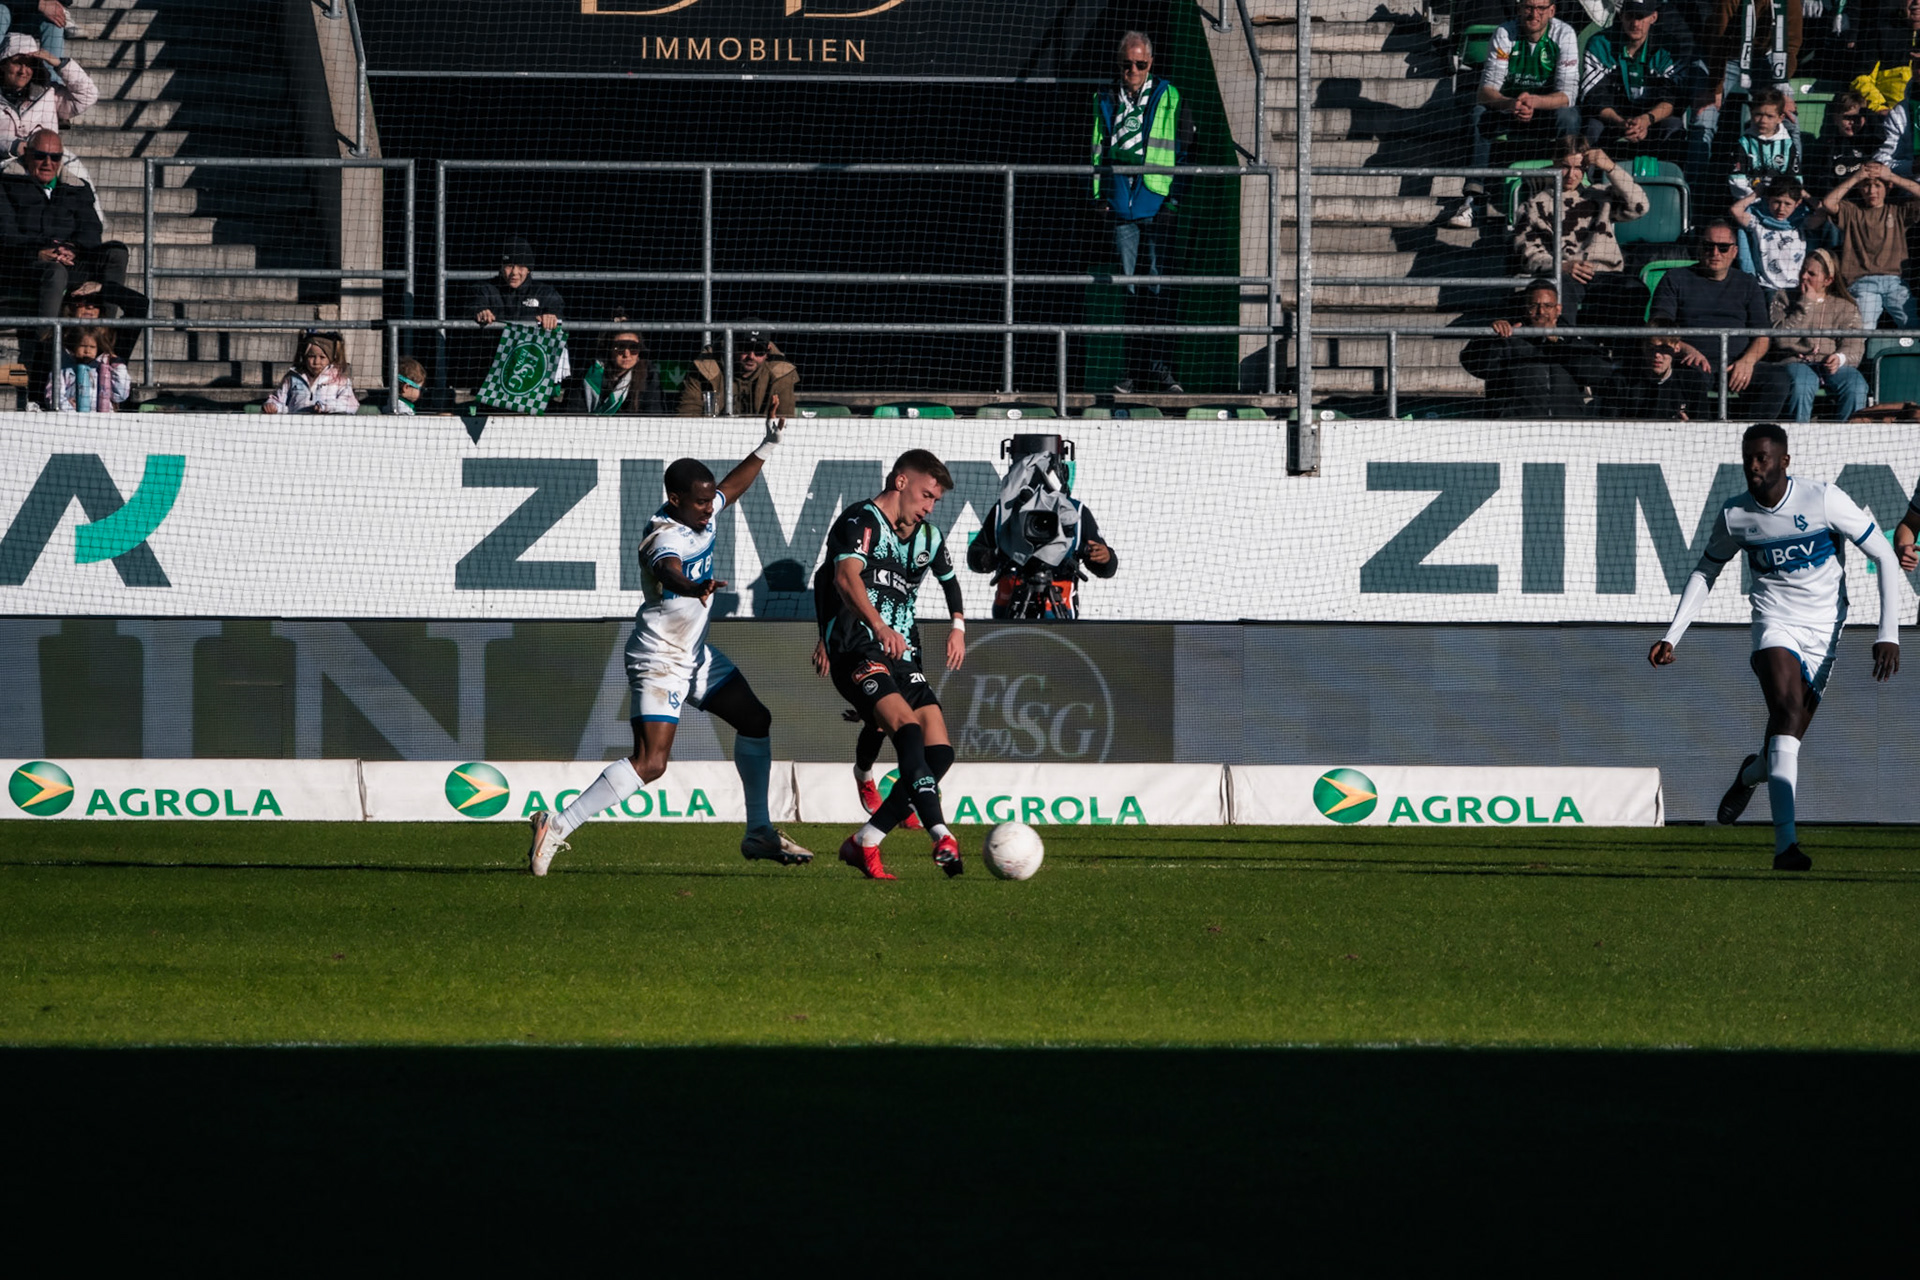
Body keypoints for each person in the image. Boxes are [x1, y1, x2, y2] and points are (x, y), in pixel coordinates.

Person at [527, 412, 812, 877]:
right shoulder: (661, 534)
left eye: (708, 501)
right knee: (652, 762)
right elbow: (667, 569)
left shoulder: (701, 512)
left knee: (755, 719)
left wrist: (768, 443)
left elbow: (732, 488)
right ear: (674, 499)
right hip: (659, 658)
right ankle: (557, 823)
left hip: (695, 655)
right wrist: (689, 587)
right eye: (699, 502)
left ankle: (759, 831)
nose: (708, 507)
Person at [1649, 422, 1900, 871]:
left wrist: (1888, 633)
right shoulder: (1735, 515)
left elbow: (1883, 554)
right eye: (1748, 457)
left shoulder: (1823, 499)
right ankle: (1786, 846)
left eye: (1763, 457)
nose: (1754, 466)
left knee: (1787, 742)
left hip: (1826, 631)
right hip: (1774, 622)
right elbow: (1707, 571)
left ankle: (1750, 773)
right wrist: (1673, 634)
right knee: (1784, 714)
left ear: (1785, 460)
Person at [826, 450, 969, 880]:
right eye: (926, 495)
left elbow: (951, 582)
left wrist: (958, 626)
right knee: (906, 728)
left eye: (935, 501)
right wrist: (875, 625)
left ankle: (866, 840)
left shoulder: (928, 537)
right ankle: (940, 833)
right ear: (901, 481)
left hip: (904, 655)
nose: (929, 506)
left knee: (939, 753)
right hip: (859, 647)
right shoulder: (860, 521)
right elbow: (844, 578)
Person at [1092, 30, 1193, 393]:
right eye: (1127, 64)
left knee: (1157, 289)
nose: (1132, 70)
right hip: (1121, 206)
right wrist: (1099, 197)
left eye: (1140, 64)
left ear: (1151, 64)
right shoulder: (1105, 97)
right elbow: (1096, 148)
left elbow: (1184, 151)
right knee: (1130, 291)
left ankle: (1161, 370)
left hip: (1156, 201)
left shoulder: (1168, 96)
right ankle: (1133, 372)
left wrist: (1173, 200)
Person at [0, 129, 125, 386]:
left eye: (55, 157)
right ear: (27, 155)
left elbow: (91, 230)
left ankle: (104, 339)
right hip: (22, 262)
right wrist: (38, 251)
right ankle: (47, 353)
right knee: (55, 272)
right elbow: (5, 231)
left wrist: (73, 249)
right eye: (41, 156)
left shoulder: (77, 187)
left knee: (117, 252)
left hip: (70, 257)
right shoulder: (6, 183)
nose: (48, 163)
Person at [1446, 0, 1582, 229]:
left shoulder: (1564, 33)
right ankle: (1473, 199)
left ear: (1552, 10)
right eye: (1529, 7)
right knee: (1479, 115)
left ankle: (1569, 195)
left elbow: (1567, 94)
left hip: (1546, 113)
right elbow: (1486, 91)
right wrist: (1511, 104)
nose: (1534, 14)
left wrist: (1535, 102)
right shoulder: (1504, 33)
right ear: (1519, 9)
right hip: (1510, 110)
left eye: (1541, 8)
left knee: (1570, 116)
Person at [1649, 219, 1793, 416]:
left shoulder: (1748, 284)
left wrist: (1748, 361)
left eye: (1723, 247)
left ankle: (1751, 436)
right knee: (1688, 378)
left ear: (1734, 251)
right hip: (1692, 364)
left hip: (1736, 363)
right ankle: (1701, 434)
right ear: (1700, 248)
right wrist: (1684, 348)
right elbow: (1659, 327)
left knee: (1778, 380)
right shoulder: (1675, 279)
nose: (1715, 253)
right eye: (1709, 246)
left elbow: (1762, 336)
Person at [965, 441, 1119, 620]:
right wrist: (995, 557)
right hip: (1013, 605)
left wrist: (1105, 557)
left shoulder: (1075, 513)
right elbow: (975, 557)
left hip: (1055, 606)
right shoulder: (1004, 510)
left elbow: (1107, 569)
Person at [1513, 137, 1649, 320]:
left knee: (1635, 289)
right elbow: (1529, 256)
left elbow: (1640, 207)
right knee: (1559, 292)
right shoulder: (1533, 206)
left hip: (1604, 274)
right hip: (1564, 276)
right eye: (1565, 166)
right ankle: (1567, 345)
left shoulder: (1600, 195)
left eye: (1578, 168)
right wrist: (1562, 266)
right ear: (1554, 162)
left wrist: (1610, 167)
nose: (1571, 175)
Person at [1687, 0, 1803, 183]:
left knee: (1789, 118)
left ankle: (1791, 188)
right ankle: (1694, 193)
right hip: (1721, 56)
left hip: (1763, 57)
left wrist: (1781, 86)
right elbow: (1718, 39)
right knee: (1703, 120)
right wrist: (1714, 87)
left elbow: (1792, 43)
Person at [1460, 282, 1615, 417]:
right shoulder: (1510, 339)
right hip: (1514, 428)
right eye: (1534, 306)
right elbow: (1475, 365)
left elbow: (1600, 374)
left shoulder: (1574, 339)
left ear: (1558, 309)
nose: (1541, 312)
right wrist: (1494, 339)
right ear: (1525, 308)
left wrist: (1557, 342)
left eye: (1548, 306)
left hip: (1567, 428)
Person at [1806, 161, 1920, 328]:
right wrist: (1856, 177)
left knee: (1913, 325)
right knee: (1862, 330)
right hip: (1862, 282)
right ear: (1859, 188)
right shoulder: (1852, 211)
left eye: (1877, 185)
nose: (1871, 191)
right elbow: (1829, 203)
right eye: (1866, 186)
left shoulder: (1897, 210)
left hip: (1895, 282)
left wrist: (1892, 176)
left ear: (1887, 187)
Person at [1768, 247, 1868, 420]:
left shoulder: (1846, 307)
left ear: (1828, 280)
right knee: (1803, 383)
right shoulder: (1784, 297)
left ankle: (1848, 439)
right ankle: (1798, 436)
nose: (1804, 277)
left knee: (1856, 384)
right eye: (1803, 271)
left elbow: (1854, 346)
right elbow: (1782, 340)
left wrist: (1839, 358)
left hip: (1830, 364)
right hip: (1796, 361)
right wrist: (1805, 305)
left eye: (1811, 274)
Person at [1579, 1, 1686, 160]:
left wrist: (1646, 120)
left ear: (1653, 17)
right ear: (1621, 15)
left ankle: (1669, 182)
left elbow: (1670, 99)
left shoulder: (1668, 47)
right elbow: (1595, 98)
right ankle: (1587, 180)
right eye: (1630, 16)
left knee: (1673, 127)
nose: (1635, 23)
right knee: (1592, 128)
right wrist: (1622, 122)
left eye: (1641, 17)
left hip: (1651, 119)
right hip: (1613, 118)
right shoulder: (1599, 44)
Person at [676, 317, 797, 417]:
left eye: (759, 350)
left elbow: (784, 421)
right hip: (713, 437)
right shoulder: (706, 367)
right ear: (732, 346)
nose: (751, 356)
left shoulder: (781, 373)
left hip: (762, 438)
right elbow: (687, 416)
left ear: (768, 351)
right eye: (745, 348)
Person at [0, 29, 92, 159]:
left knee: (76, 178)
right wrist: (13, 146)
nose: (23, 71)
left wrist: (60, 64)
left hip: (45, 165)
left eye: (29, 65)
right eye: (17, 63)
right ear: (3, 65)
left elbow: (88, 96)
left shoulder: (49, 93)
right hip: (4, 166)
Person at [1731, 175, 1813, 294]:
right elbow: (1735, 210)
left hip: (1797, 287)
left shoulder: (1800, 224)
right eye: (1776, 202)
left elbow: (1822, 211)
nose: (1781, 208)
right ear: (1768, 199)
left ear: (1797, 203)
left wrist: (1804, 194)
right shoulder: (1758, 223)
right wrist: (1756, 194)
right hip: (1768, 286)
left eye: (1787, 204)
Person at [1803, 88, 1884, 195]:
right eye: (1847, 118)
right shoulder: (1825, 147)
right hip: (1834, 203)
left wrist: (1865, 111)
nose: (1852, 122)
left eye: (1857, 118)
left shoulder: (1869, 142)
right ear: (1835, 118)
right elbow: (1821, 184)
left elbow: (1881, 137)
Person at [263, 330, 359, 415]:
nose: (316, 362)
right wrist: (272, 405)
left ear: (330, 359)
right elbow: (280, 401)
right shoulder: (292, 378)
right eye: (311, 356)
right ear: (305, 357)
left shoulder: (339, 380)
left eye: (322, 358)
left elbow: (350, 405)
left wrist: (326, 406)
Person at [1729, 87, 1803, 197]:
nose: (1763, 121)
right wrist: (1755, 199)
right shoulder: (1744, 143)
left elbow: (1796, 180)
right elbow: (1736, 180)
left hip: (1779, 204)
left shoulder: (1787, 145)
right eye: (1758, 114)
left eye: (1770, 116)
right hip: (1750, 202)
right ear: (1751, 113)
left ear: (1780, 118)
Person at [1606, 337, 1701, 417]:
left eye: (1664, 348)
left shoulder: (1692, 381)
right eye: (1652, 348)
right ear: (1643, 347)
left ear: (1676, 348)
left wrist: (1688, 428)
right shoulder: (1622, 381)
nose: (1657, 355)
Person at [582, 323, 664, 415]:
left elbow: (652, 413)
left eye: (633, 347)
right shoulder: (590, 374)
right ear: (610, 349)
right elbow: (573, 411)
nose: (627, 354)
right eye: (620, 347)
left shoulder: (649, 375)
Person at [46, 323, 125, 412]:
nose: (87, 351)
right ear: (74, 346)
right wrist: (70, 411)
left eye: (92, 347)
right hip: (72, 417)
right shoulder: (63, 370)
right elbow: (54, 396)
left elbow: (121, 395)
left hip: (103, 417)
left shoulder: (105, 369)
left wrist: (119, 368)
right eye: (83, 346)